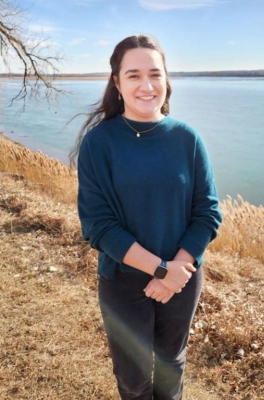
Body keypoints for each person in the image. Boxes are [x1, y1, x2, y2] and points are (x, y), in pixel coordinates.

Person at [70, 34, 223, 400]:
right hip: (123, 281)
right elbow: (99, 226)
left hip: (183, 279)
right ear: (117, 83)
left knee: (171, 365)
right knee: (133, 378)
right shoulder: (99, 143)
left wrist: (176, 271)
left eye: (155, 74)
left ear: (166, 80)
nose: (146, 85)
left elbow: (208, 212)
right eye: (134, 75)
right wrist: (160, 270)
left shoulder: (187, 139)